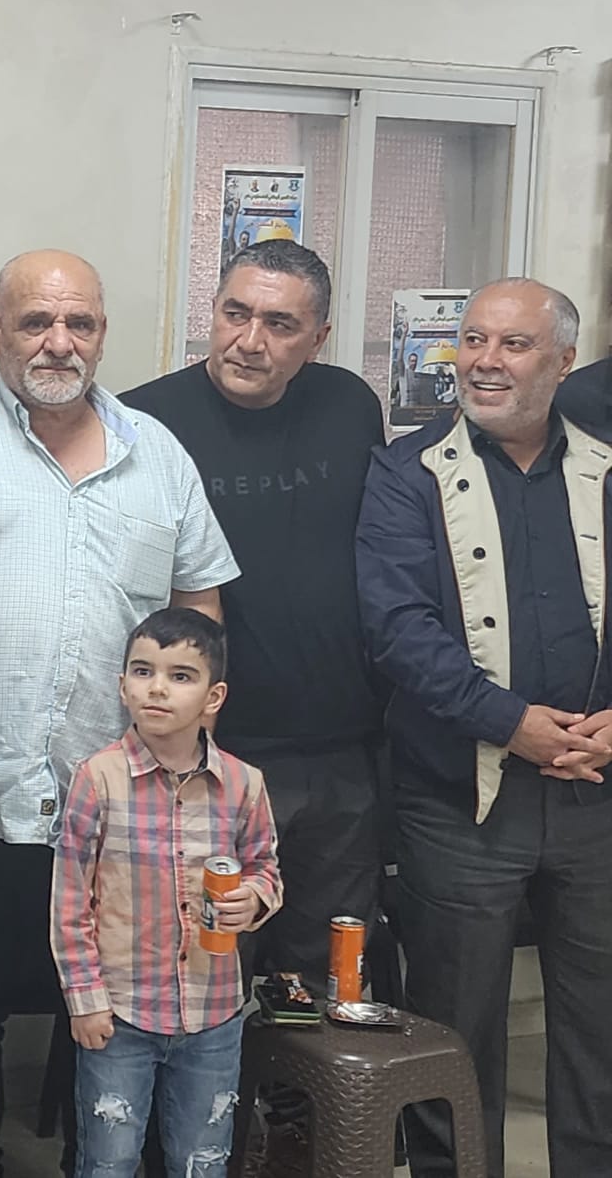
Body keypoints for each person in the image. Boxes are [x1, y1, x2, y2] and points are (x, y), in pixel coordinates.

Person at [0, 250, 239, 1178]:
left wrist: (185, 747)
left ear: (101, 334)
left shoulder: (157, 453)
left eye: (79, 323)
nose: (59, 342)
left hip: (118, 809)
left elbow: (199, 603)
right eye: (35, 322)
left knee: (112, 1024)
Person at [357, 277, 612, 1178]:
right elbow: (399, 631)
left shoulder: (606, 468)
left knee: (600, 1030)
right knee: (455, 1034)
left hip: (596, 799)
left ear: (564, 362)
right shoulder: (408, 473)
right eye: (473, 340)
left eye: (513, 344)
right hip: (460, 804)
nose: (485, 362)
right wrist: (512, 724)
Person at [122, 240, 386, 983]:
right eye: (235, 313)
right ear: (212, 311)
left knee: (325, 973)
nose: (249, 340)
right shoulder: (145, 420)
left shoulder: (350, 405)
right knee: (201, 966)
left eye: (279, 324)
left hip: (340, 749)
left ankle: (304, 1072)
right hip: (211, 750)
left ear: (318, 338)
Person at [53, 608, 280, 1178]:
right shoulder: (97, 779)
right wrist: (85, 999)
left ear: (213, 696)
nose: (157, 688)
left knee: (204, 1160)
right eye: (143, 671)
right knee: (108, 1161)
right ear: (122, 685)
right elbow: (70, 900)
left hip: (214, 1012)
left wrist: (253, 898)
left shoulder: (244, 784)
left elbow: (265, 868)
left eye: (180, 676)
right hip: (119, 1013)